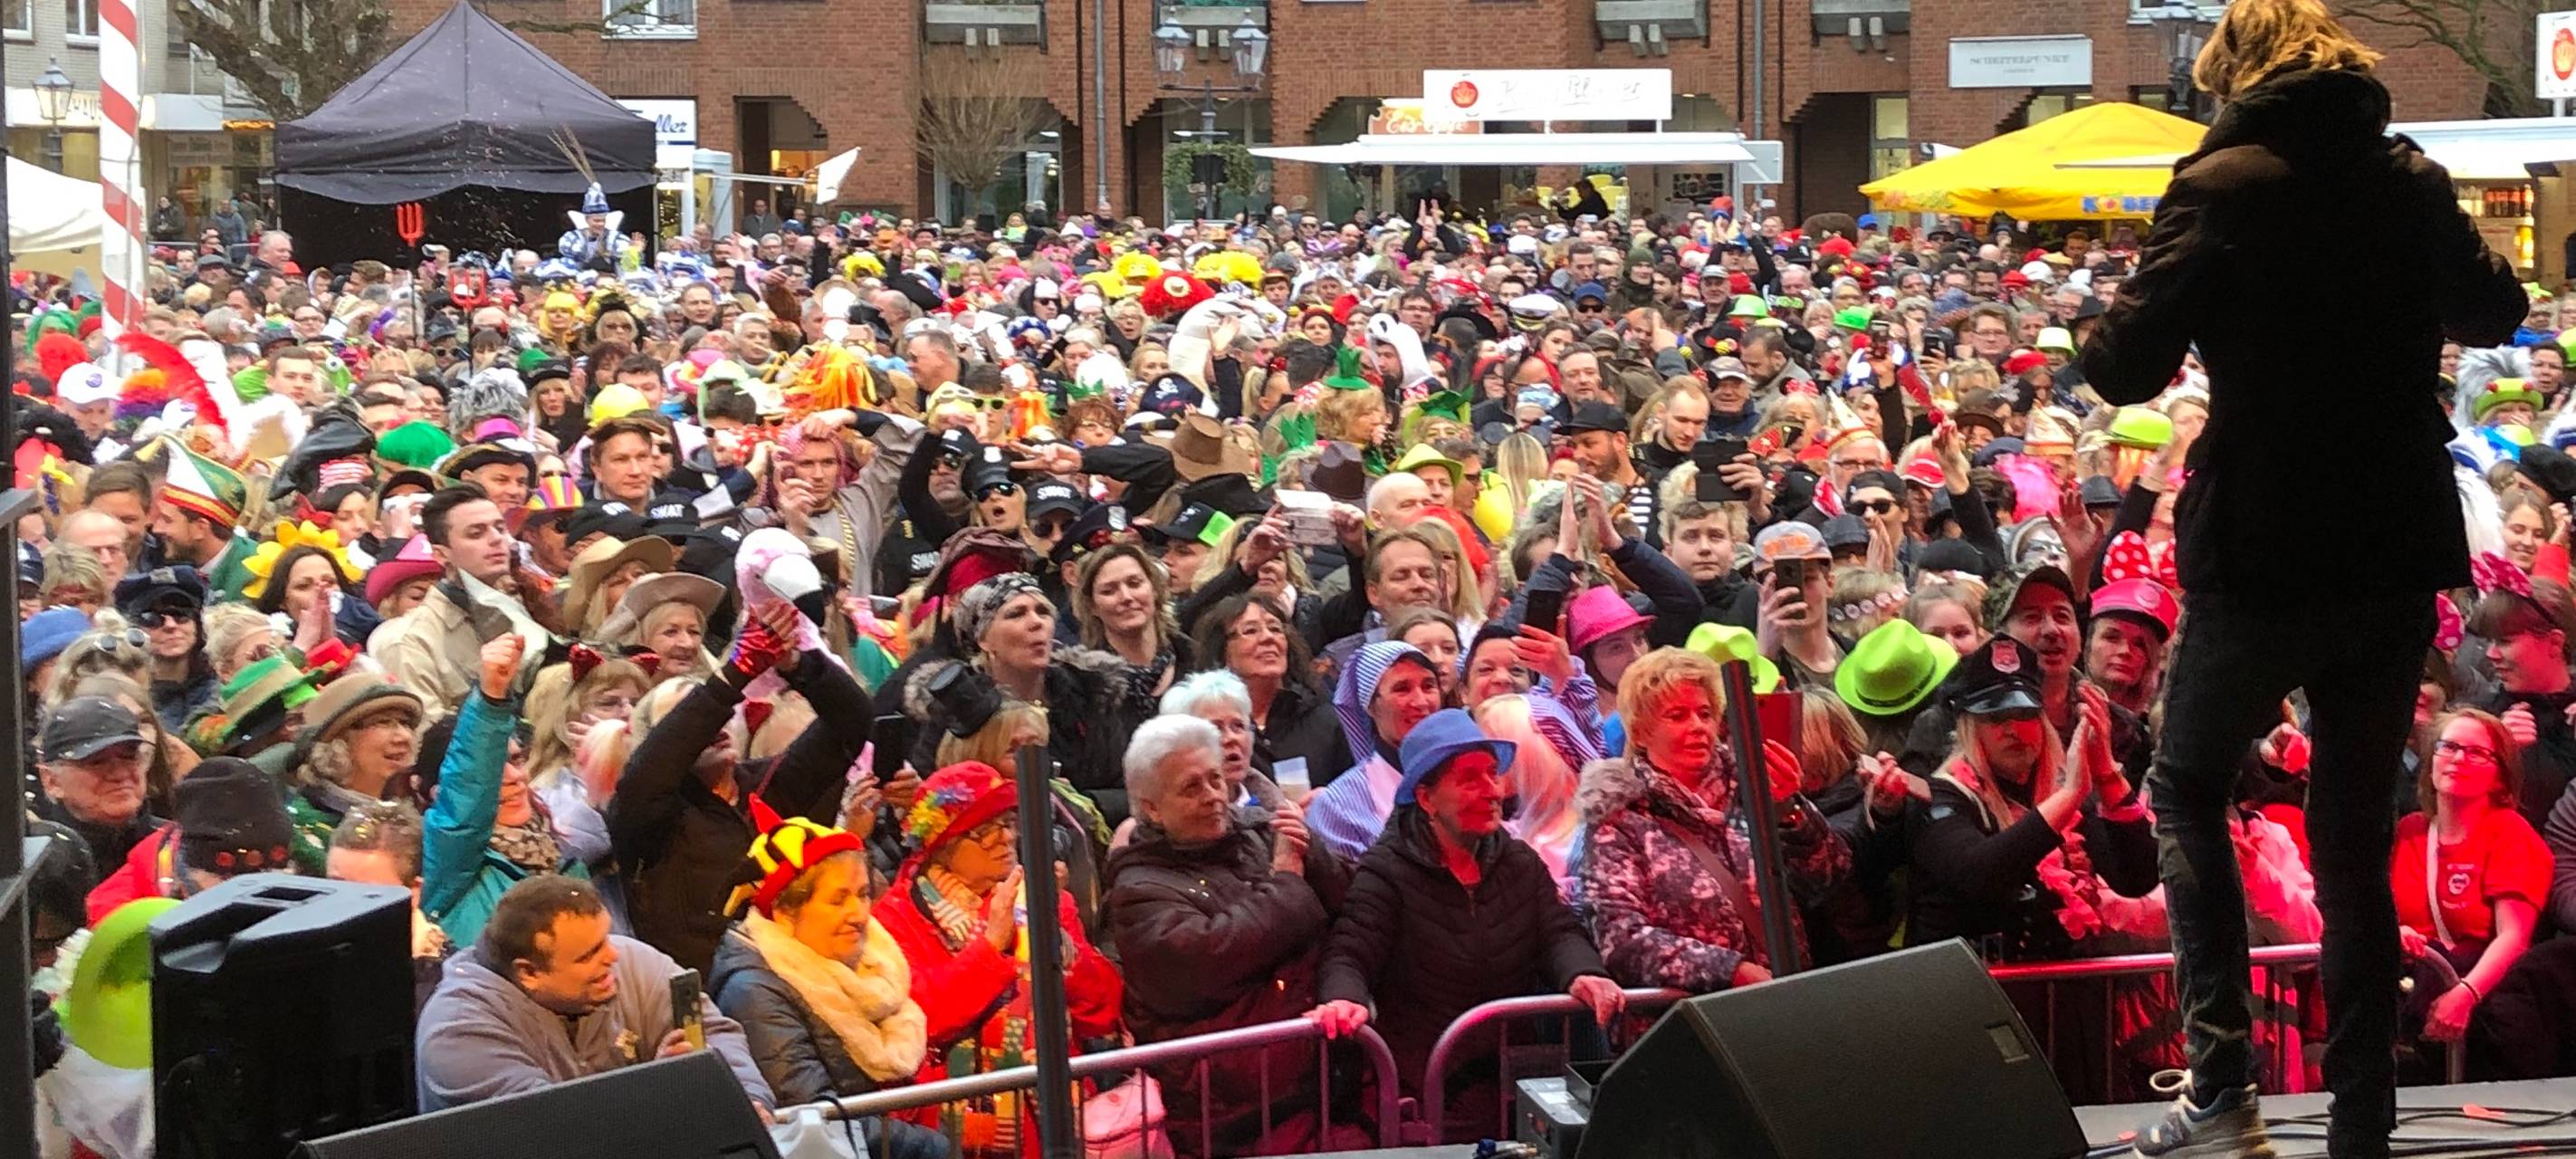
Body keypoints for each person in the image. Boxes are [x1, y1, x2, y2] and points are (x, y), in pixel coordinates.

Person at [2076, 0, 2527, 1149]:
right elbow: (2496, 307)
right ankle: (2362, 1117)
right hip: (2389, 540)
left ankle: (2220, 1082)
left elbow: (2124, 365)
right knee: (2350, 837)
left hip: (2269, 539)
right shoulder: (2407, 176)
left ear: (2236, 72)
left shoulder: (2222, 182)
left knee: (2182, 785)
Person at [1309, 707, 1623, 1131]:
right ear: (1426, 798)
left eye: (1493, 774)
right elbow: (1350, 950)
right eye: (1469, 779)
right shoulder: (1387, 870)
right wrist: (1344, 999)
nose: (1491, 790)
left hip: (1516, 1078)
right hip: (1432, 1091)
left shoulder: (1517, 860)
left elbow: (1558, 931)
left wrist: (1583, 973)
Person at [1104, 715, 1351, 1155]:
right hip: (1231, 1114)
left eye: (1215, 779)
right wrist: (1289, 884)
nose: (1214, 796)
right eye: (1191, 787)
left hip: (1321, 1085)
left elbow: (1348, 908)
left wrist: (1314, 855)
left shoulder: (1259, 832)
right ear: (1152, 807)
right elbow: (1210, 957)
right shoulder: (1137, 890)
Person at [609, 600, 874, 974]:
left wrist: (795, 663)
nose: (715, 724)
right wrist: (731, 677)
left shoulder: (771, 783)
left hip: (807, 982)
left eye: (723, 713)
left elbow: (852, 720)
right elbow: (647, 773)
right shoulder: (648, 816)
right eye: (691, 717)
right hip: (709, 1001)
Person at [872, 761, 1123, 1154]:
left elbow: (1101, 1014)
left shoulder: (1042, 897)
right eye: (986, 832)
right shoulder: (895, 917)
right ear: (943, 845)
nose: (1006, 837)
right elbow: (923, 1019)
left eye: (1008, 823)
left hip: (1054, 1115)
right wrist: (991, 948)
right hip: (953, 1128)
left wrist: (1065, 959)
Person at [1579, 647, 1852, 990]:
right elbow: (1622, 938)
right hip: (1696, 1019)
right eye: (1677, 715)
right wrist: (1730, 971)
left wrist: (1788, 808)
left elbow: (1829, 878)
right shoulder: (1620, 816)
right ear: (1641, 732)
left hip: (1787, 1005)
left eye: (1705, 713)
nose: (1697, 726)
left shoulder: (1753, 785)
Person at [415, 876, 775, 1117]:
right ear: (529, 972)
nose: (612, 957)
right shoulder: (458, 1030)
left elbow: (716, 1035)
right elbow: (559, 1131)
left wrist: (747, 1101)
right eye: (589, 954)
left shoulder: (633, 963)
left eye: (606, 938)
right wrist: (661, 1087)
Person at [710, 809, 948, 1159]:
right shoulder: (753, 992)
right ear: (785, 911)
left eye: (864, 894)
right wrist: (941, 1147)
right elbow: (819, 1116)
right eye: (838, 899)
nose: (859, 913)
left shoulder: (869, 961)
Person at [2391, 710, 2549, 1074]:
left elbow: (2514, 937)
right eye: (2448, 747)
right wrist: (2395, 932)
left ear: (2500, 776)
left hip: (2483, 1004)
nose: (2458, 758)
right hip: (2411, 996)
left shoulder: (2511, 834)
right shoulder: (2408, 831)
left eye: (2476, 753)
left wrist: (2464, 995)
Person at [1307, 639, 1443, 861]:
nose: (1421, 702)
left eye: (1429, 686)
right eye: (1402, 689)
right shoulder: (1338, 808)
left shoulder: (1470, 772)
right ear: (1370, 706)